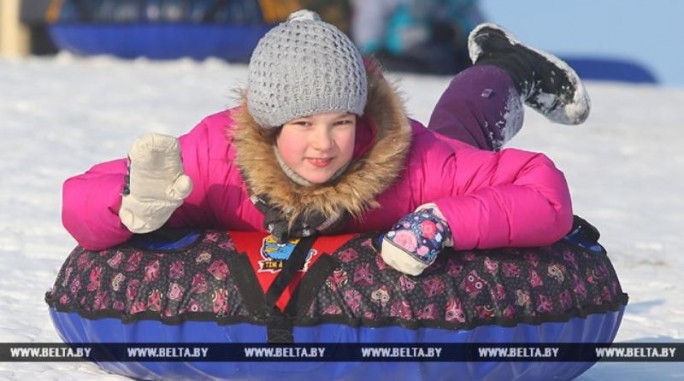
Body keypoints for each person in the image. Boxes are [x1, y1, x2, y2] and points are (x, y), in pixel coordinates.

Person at [62, 10, 589, 276]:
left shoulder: (414, 162)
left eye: (341, 122)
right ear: (269, 126)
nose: (325, 144)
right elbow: (80, 196)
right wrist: (129, 203)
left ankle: (506, 67)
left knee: (459, 141)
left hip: (428, 163)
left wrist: (446, 220)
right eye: (302, 124)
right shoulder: (215, 158)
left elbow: (543, 191)